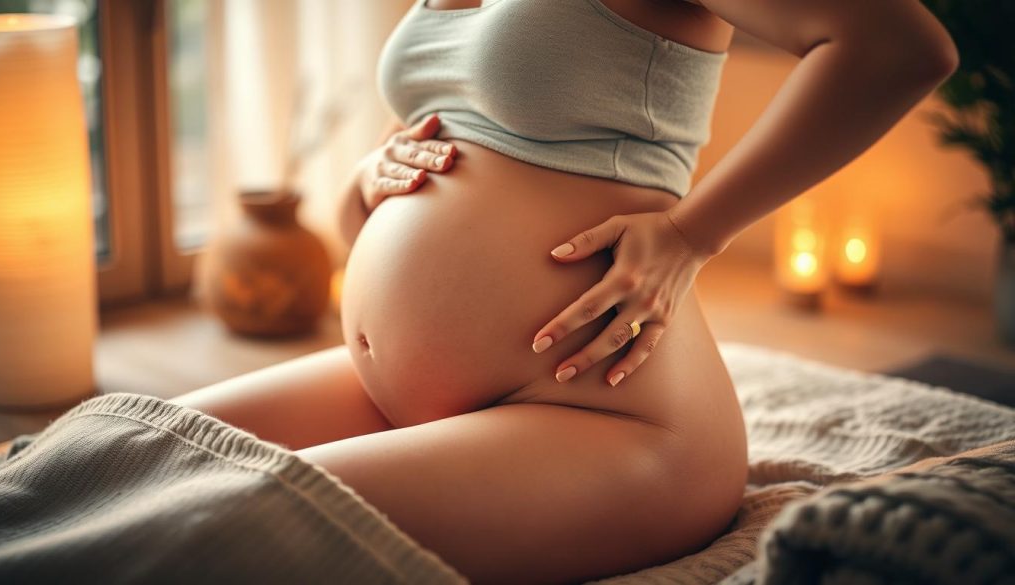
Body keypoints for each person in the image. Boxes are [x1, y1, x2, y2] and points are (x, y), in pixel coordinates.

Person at [173, 0, 958, 582]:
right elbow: (413, 181)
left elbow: (898, 49)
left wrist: (695, 233)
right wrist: (364, 181)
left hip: (615, 422)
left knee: (225, 527)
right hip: (410, 391)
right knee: (136, 453)